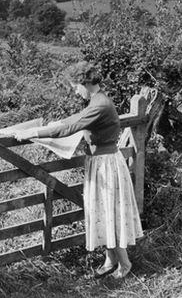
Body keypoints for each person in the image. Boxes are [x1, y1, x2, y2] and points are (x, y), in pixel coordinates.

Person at [14, 61, 143, 279]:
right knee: (100, 211)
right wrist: (51, 125)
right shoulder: (97, 101)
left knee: (108, 212)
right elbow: (74, 119)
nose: (75, 91)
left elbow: (70, 127)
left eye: (76, 86)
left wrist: (33, 133)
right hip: (100, 162)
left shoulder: (100, 105)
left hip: (106, 164)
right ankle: (110, 259)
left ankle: (125, 263)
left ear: (85, 83)